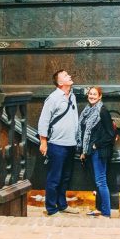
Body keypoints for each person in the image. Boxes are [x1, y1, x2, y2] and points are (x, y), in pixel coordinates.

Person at [38, 69, 79, 216]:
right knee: (54, 177)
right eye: (66, 76)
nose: (70, 76)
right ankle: (51, 208)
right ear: (60, 83)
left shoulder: (72, 96)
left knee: (65, 177)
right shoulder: (53, 98)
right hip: (57, 144)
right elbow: (44, 120)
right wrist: (43, 142)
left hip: (71, 144)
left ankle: (62, 205)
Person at [77, 86, 115, 218]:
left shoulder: (102, 111)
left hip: (99, 151)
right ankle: (99, 208)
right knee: (96, 182)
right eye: (90, 94)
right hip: (90, 152)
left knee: (101, 181)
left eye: (94, 94)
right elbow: (85, 132)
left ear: (100, 96)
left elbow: (110, 134)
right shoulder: (88, 110)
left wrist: (95, 145)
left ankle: (106, 212)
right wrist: (84, 150)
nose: (92, 96)